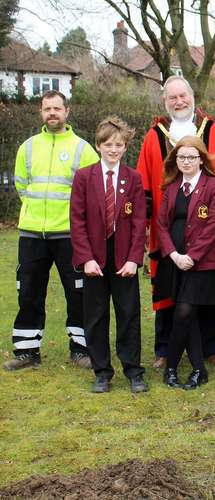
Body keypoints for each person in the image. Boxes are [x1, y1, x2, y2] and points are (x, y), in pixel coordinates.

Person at [136, 75, 215, 369]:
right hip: (169, 228)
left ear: (193, 97)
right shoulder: (154, 135)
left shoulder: (213, 131)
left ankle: (212, 348)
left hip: (206, 230)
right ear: (165, 101)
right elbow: (144, 180)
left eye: (183, 96)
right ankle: (165, 349)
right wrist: (146, 227)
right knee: (169, 289)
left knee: (204, 287)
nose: (179, 102)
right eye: (172, 98)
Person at [4, 90, 99, 371]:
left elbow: (92, 192)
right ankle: (27, 352)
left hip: (70, 235)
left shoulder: (83, 149)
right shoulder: (28, 147)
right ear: (41, 112)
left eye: (57, 108)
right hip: (32, 233)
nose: (52, 113)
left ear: (67, 112)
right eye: (47, 109)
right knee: (29, 292)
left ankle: (80, 349)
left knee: (77, 293)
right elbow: (22, 185)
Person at [70, 116, 148, 394]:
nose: (113, 150)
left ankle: (133, 370)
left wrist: (133, 259)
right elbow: (76, 221)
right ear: (98, 145)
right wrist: (86, 258)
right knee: (96, 316)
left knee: (128, 314)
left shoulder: (133, 178)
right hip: (95, 258)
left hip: (123, 256)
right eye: (108, 144)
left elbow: (140, 222)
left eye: (119, 145)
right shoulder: (83, 177)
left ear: (125, 147)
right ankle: (102, 371)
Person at [156, 136, 215, 390]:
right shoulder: (171, 186)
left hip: (201, 263)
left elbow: (213, 225)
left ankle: (172, 367)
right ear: (176, 160)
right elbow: (162, 224)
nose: (186, 162)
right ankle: (198, 369)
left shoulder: (214, 186)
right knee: (188, 317)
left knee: (185, 312)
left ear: (201, 159)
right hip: (175, 261)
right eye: (181, 157)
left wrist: (192, 256)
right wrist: (174, 255)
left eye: (191, 157)